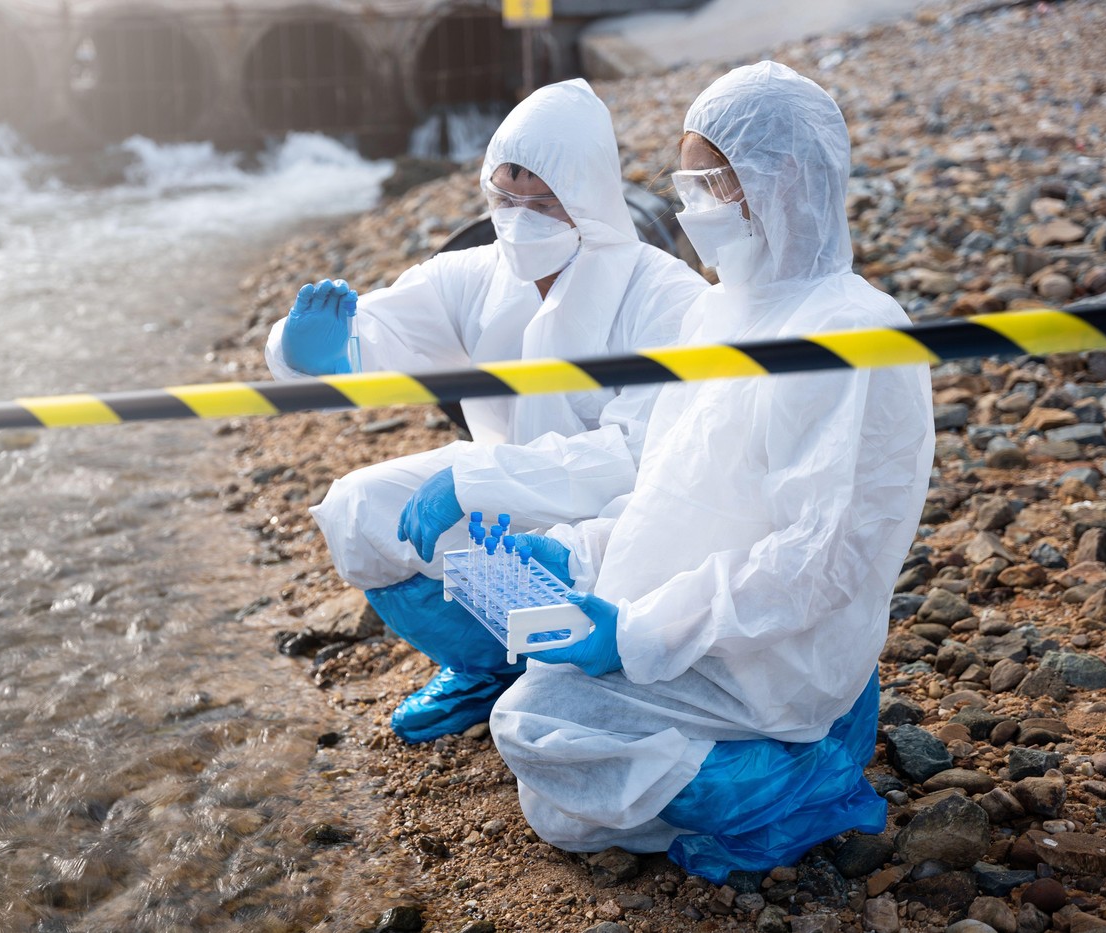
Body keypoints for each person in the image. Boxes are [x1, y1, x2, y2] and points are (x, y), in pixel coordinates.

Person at [489, 61, 936, 881]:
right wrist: (577, 553)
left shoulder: (851, 333)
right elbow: (668, 483)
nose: (692, 209)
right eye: (686, 183)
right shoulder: (714, 310)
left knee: (535, 726)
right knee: (555, 795)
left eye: (709, 184)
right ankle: (742, 764)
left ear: (785, 179)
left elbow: (822, 561)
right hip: (688, 610)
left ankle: (803, 773)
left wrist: (636, 631)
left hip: (775, 644)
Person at [264, 79, 708, 744]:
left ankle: (576, 661)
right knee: (362, 508)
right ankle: (482, 667)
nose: (521, 216)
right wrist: (310, 349)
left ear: (587, 198)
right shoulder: (478, 274)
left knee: (574, 711)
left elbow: (643, 454)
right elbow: (378, 332)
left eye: (545, 200)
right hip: (505, 493)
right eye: (507, 195)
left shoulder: (662, 293)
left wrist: (480, 481)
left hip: (620, 521)